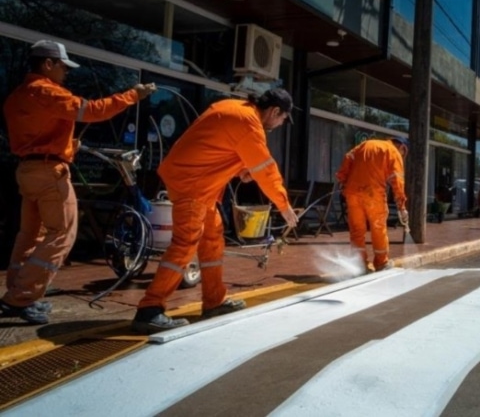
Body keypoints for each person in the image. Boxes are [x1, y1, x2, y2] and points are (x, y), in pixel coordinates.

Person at [1, 40, 156, 324]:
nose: (66, 73)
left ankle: (19, 291)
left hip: (28, 171)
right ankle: (19, 298)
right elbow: (93, 110)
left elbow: (38, 133)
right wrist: (132, 95)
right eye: (63, 66)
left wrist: (68, 144)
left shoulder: (17, 96)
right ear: (48, 64)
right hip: (50, 172)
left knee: (30, 235)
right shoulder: (46, 91)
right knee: (62, 234)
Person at [132, 88, 299, 334]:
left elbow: (213, 148)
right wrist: (284, 206)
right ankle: (150, 309)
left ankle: (214, 301)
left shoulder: (235, 109)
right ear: (275, 111)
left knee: (212, 237)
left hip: (196, 182)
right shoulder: (249, 123)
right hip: (193, 185)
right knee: (186, 242)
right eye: (283, 118)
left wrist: (239, 167)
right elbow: (266, 169)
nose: (282, 123)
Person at [335, 137, 409, 272]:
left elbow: (348, 157)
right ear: (402, 147)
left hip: (352, 193)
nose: (402, 156)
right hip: (373, 194)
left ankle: (360, 264)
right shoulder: (393, 152)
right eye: (404, 154)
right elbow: (397, 180)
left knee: (357, 231)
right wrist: (401, 206)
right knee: (378, 227)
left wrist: (342, 179)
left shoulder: (365, 144)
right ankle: (382, 263)